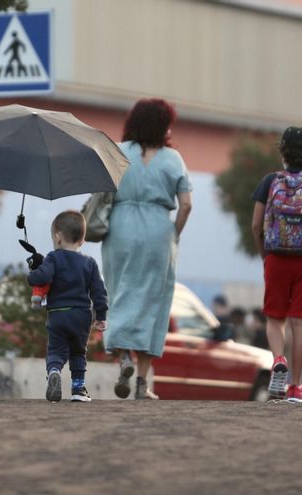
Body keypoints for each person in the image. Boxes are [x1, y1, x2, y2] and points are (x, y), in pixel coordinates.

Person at [102, 98, 193, 400]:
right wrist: (173, 235)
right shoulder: (173, 159)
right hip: (158, 230)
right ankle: (142, 383)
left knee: (120, 293)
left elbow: (102, 193)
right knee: (153, 303)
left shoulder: (117, 151)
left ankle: (123, 355)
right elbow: (187, 204)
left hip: (121, 227)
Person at [251, 126, 302, 403]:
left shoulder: (270, 181)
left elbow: (255, 225)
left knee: (275, 318)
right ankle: (296, 387)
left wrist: (266, 256)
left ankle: (278, 360)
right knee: (301, 324)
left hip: (277, 259)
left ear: (283, 151)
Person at [27, 210, 108, 402]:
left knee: (56, 350)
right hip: (81, 315)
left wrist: (32, 271)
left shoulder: (53, 258)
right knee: (78, 351)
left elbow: (42, 277)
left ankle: (54, 371)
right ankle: (78, 389)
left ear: (57, 237)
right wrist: (101, 315)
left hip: (58, 314)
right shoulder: (90, 263)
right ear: (82, 240)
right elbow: (99, 291)